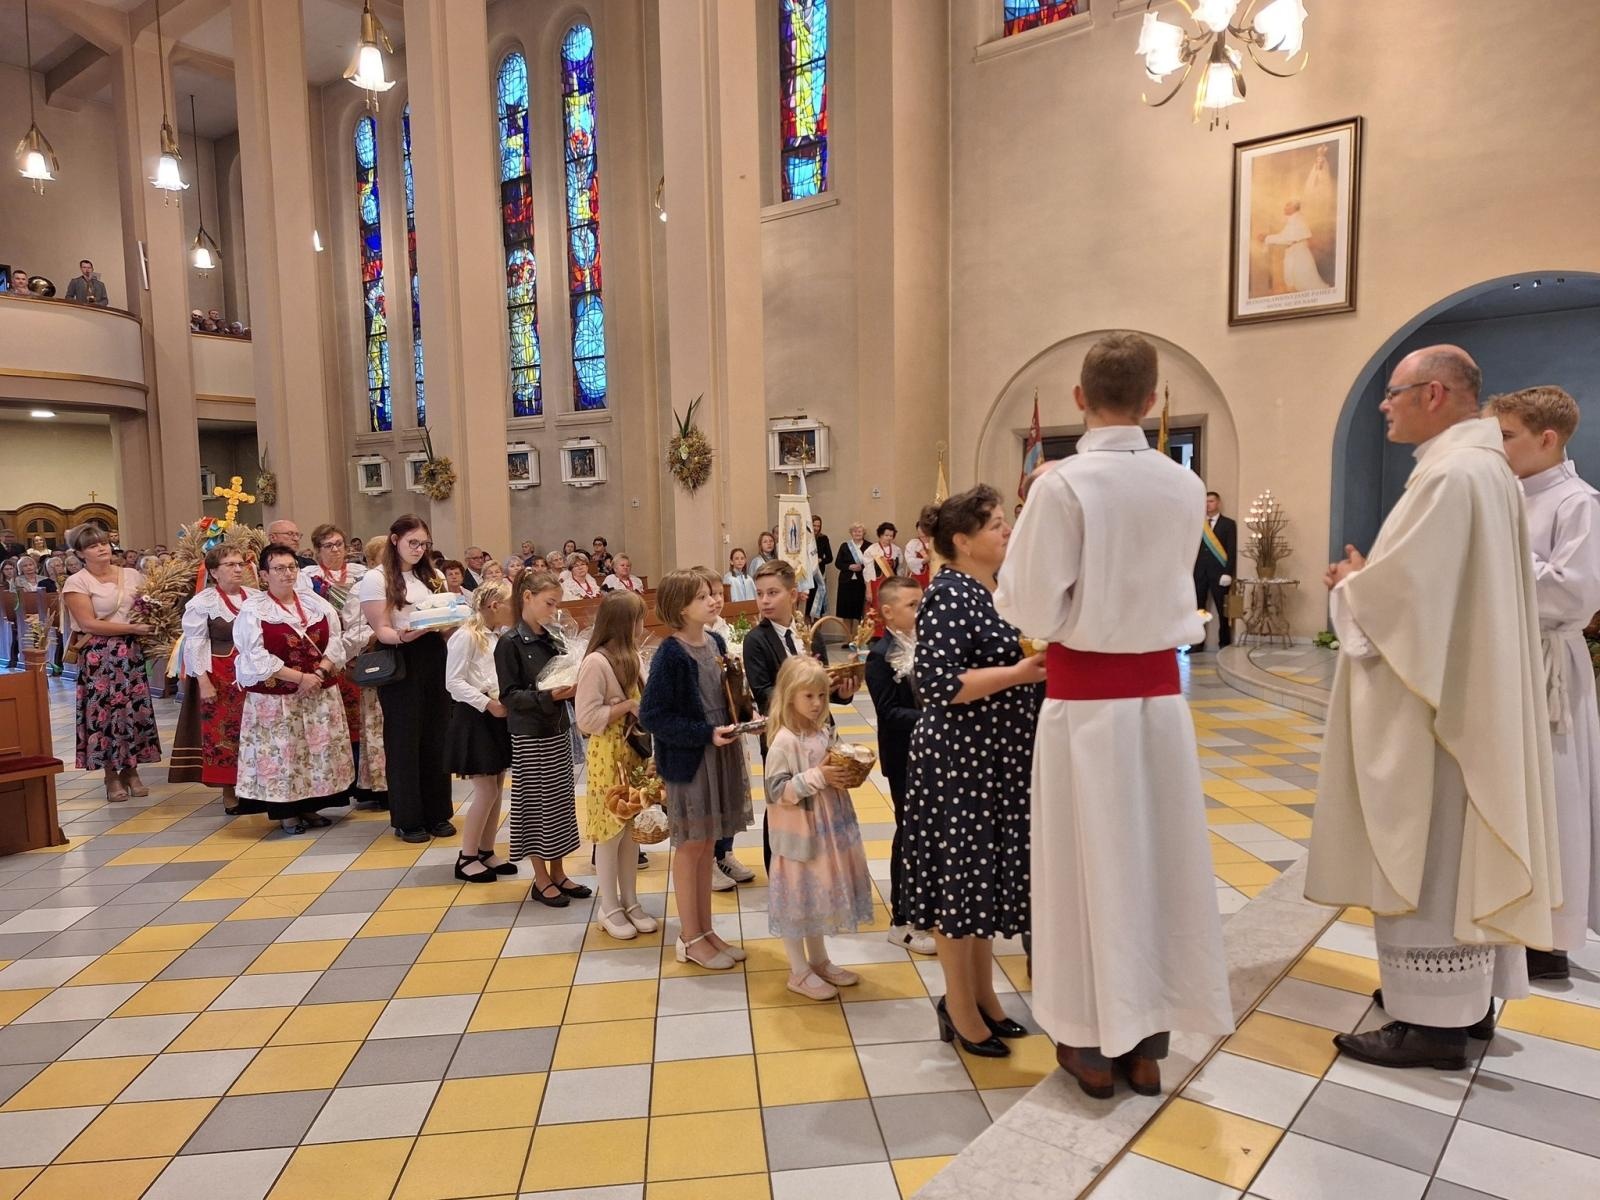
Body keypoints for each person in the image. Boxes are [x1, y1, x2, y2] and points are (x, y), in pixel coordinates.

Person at [1306, 345, 1559, 1070]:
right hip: (1465, 695)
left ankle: (1432, 1025)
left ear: (1437, 393)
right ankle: (1467, 1006)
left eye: (1395, 392)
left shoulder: (1451, 475)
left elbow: (1407, 602)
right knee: (1453, 849)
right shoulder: (1486, 470)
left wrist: (1354, 583)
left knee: (1429, 850)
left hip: (1436, 712)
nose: (1384, 405)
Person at [997, 330, 1234, 1097]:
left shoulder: (1062, 486)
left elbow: (1030, 604)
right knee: (1154, 864)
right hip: (1160, 708)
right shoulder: (1183, 484)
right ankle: (1149, 1041)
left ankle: (1091, 1042)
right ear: (1155, 398)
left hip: (1083, 707)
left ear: (1078, 398)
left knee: (1081, 865)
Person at [903, 486, 1045, 1059]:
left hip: (994, 761)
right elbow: (938, 686)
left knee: (981, 886)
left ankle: (985, 996)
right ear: (961, 541)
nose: (1006, 531)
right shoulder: (947, 594)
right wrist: (1022, 672)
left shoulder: (992, 591)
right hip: (960, 762)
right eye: (995, 525)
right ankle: (958, 1008)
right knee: (959, 887)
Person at [1485, 385, 1599, 980]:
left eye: (1507, 436)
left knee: (1554, 791)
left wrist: (1502, 555)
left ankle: (1551, 936)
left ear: (1547, 439)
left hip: (1551, 662)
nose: (1497, 447)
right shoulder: (1509, 497)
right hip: (1512, 657)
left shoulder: (1577, 502)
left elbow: (1573, 591)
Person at [639, 569, 753, 970]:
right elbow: (652, 715)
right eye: (704, 596)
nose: (714, 600)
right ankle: (689, 937)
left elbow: (723, 693)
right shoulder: (671, 653)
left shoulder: (716, 640)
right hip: (691, 760)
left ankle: (706, 930)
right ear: (680, 606)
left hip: (717, 752)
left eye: (715, 593)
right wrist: (704, 732)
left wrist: (741, 713)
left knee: (708, 845)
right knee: (691, 848)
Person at [765, 655, 875, 999]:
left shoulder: (823, 730)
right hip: (800, 836)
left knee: (815, 896)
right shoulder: (784, 741)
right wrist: (818, 776)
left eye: (822, 696)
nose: (816, 704)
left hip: (827, 828)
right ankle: (798, 971)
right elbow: (776, 790)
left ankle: (819, 960)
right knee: (798, 900)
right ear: (789, 696)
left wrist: (841, 772)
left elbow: (831, 763)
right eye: (808, 696)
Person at [233, 543, 353, 833]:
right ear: (264, 575)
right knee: (284, 753)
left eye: (291, 567)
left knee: (313, 751)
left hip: (318, 692)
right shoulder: (253, 610)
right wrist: (300, 678)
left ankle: (310, 806)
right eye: (278, 568)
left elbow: (336, 640)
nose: (287, 574)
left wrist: (321, 671)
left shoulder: (315, 603)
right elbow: (255, 655)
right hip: (277, 699)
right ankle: (287, 812)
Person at [359, 515, 455, 843]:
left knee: (436, 735)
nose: (417, 549)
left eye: (423, 544)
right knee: (404, 739)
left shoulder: (435, 574)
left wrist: (452, 620)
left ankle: (438, 812)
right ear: (394, 539)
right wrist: (405, 635)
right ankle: (408, 817)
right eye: (412, 542)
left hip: (433, 654)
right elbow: (381, 630)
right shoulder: (376, 578)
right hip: (401, 657)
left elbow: (445, 617)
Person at [496, 571, 589, 905]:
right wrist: (549, 697)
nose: (554, 610)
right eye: (550, 603)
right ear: (527, 597)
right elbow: (509, 696)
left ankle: (559, 871)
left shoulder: (553, 637)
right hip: (530, 733)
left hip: (557, 728)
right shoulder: (509, 643)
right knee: (536, 805)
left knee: (561, 804)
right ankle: (540, 877)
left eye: (557, 604)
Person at [575, 589, 658, 939]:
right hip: (607, 755)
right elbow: (586, 719)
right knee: (609, 835)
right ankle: (609, 906)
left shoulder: (634, 657)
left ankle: (631, 900)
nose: (643, 626)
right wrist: (623, 707)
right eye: (639, 620)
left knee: (630, 833)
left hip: (632, 753)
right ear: (626, 623)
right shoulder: (596, 662)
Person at [61, 525, 159, 800]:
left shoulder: (131, 574)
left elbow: (147, 605)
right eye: (92, 546)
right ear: (80, 553)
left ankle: (133, 770)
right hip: (99, 655)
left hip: (130, 652)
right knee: (106, 715)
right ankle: (111, 776)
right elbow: (88, 622)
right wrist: (132, 629)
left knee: (132, 711)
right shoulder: (78, 582)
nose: (101, 548)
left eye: (103, 542)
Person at [866, 576, 934, 956]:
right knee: (908, 833)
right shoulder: (880, 655)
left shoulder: (927, 644)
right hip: (904, 755)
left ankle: (928, 908)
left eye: (921, 602)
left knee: (928, 833)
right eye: (912, 605)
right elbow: (890, 712)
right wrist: (936, 717)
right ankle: (902, 920)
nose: (919, 610)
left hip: (933, 754)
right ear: (888, 612)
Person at [304, 525, 383, 809]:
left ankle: (366, 778)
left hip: (359, 652)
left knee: (362, 720)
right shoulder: (307, 579)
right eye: (329, 545)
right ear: (317, 551)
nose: (336, 550)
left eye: (339, 544)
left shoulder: (362, 575)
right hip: (325, 652)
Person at [445, 581, 517, 883]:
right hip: (475, 716)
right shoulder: (466, 636)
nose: (515, 609)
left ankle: (486, 850)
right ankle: (467, 855)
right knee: (485, 789)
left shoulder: (498, 635)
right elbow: (453, 682)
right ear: (493, 605)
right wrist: (487, 703)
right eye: (510, 603)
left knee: (498, 785)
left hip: (495, 714)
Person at [181, 545, 256, 812]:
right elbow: (195, 644)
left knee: (255, 730)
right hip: (221, 676)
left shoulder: (256, 597)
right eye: (230, 565)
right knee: (225, 733)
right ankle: (229, 790)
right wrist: (203, 682)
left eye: (240, 564)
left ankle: (256, 786)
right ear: (214, 571)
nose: (238, 569)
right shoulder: (203, 603)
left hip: (255, 675)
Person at [1191, 491, 1236, 652]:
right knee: (1199, 609)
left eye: (1210, 501)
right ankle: (1197, 643)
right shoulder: (1198, 524)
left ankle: (1224, 643)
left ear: (1218, 503)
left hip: (1219, 574)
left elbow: (1231, 550)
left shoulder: (1228, 524)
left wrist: (1228, 572)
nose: (1207, 505)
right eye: (1205, 502)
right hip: (1199, 573)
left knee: (1221, 609)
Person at [1257, 199, 1330, 292]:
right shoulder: (1294, 219)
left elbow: (1286, 238)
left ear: (1294, 208)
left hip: (1299, 255)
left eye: (1288, 205)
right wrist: (1267, 237)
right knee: (1299, 284)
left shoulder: (1297, 220)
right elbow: (1285, 236)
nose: (1284, 208)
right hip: (1296, 253)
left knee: (1308, 284)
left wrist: (1266, 238)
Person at [834, 524, 870, 620]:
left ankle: (859, 635)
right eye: (854, 531)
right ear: (851, 533)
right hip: (846, 582)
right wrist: (849, 566)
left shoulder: (869, 546)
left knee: (860, 611)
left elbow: (872, 564)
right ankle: (848, 635)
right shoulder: (845, 546)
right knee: (846, 612)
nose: (857, 533)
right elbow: (838, 563)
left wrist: (861, 567)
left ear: (863, 533)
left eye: (859, 531)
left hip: (862, 582)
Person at [807, 515, 832, 618]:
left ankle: (817, 631)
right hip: (808, 576)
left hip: (818, 576)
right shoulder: (805, 539)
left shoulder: (823, 538)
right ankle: (808, 632)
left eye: (818, 526)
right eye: (814, 525)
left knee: (818, 608)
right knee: (807, 607)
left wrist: (821, 560)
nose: (816, 528)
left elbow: (830, 558)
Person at [905, 519, 933, 590]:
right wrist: (925, 560)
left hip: (933, 577)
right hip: (918, 578)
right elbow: (910, 561)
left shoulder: (935, 543)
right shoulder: (913, 543)